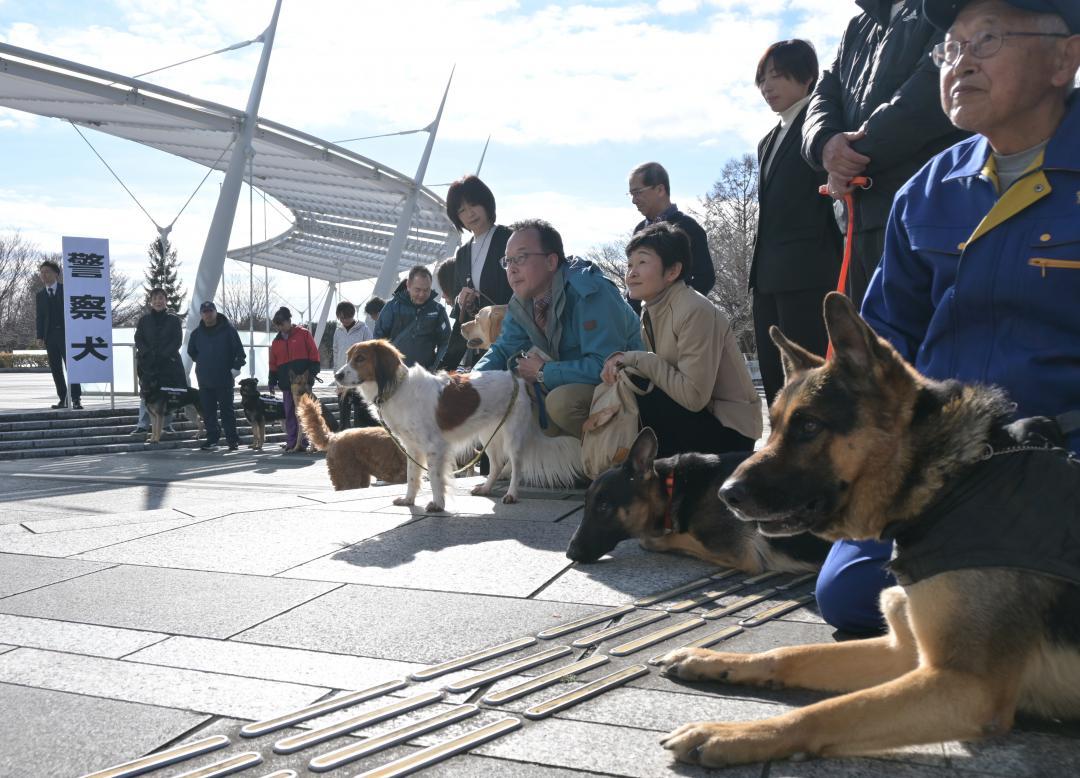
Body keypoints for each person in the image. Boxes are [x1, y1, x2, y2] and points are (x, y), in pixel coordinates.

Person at [815, 0, 1080, 635]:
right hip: (944, 455)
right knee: (849, 593)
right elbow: (882, 345)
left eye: (986, 39)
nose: (959, 61)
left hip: (1062, 449)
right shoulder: (927, 191)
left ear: (1065, 58)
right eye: (950, 48)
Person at [802, 0, 969, 305]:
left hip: (927, 215)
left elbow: (928, 95)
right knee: (866, 345)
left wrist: (848, 158)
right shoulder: (856, 27)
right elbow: (823, 95)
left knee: (920, 342)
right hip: (856, 223)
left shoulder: (947, 8)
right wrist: (824, 142)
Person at [601, 224, 762, 458]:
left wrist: (637, 359)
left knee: (641, 392)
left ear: (673, 271)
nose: (631, 273)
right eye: (629, 265)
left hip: (729, 431)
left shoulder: (695, 310)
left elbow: (693, 397)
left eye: (642, 263)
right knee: (628, 382)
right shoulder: (652, 309)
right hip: (696, 417)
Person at [475, 219, 643, 439]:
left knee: (561, 403)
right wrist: (470, 381)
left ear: (551, 261)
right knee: (516, 393)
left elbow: (607, 364)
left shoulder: (590, 291)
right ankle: (570, 462)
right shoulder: (522, 302)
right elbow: (503, 349)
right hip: (577, 382)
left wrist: (544, 372)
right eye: (508, 261)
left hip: (628, 386)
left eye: (522, 258)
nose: (512, 269)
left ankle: (613, 461)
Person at [752, 39, 843, 405]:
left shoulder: (821, 124)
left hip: (810, 272)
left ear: (807, 77)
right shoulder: (767, 140)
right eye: (761, 79)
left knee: (813, 380)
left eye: (776, 76)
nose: (766, 87)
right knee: (778, 381)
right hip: (766, 277)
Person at [439, 175, 514, 371]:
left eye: (473, 204)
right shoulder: (463, 253)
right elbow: (459, 310)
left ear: (486, 202)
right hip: (482, 344)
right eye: (461, 210)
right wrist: (461, 300)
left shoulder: (510, 238)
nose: (469, 214)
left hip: (512, 338)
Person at [628, 162, 715, 298]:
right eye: (631, 194)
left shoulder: (689, 228)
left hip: (679, 317)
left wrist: (678, 307)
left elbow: (705, 278)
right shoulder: (639, 230)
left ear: (660, 190)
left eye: (638, 192)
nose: (634, 200)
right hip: (644, 317)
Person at [186, 301, 246, 451]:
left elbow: (240, 353)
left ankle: (232, 439)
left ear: (215, 312)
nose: (208, 314)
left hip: (224, 378)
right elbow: (191, 352)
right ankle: (212, 439)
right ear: (201, 314)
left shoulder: (229, 330)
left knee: (227, 410)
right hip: (205, 379)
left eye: (210, 311)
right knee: (208, 411)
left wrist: (235, 368)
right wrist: (203, 363)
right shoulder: (196, 333)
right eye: (205, 311)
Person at [372, 266, 451, 370]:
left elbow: (445, 341)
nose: (422, 294)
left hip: (424, 376)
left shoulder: (438, 310)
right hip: (394, 373)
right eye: (417, 290)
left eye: (426, 290)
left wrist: (434, 367)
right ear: (408, 285)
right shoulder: (392, 307)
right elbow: (378, 338)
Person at [132, 287, 186, 435]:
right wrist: (146, 353)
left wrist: (164, 354)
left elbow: (177, 340)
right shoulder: (144, 320)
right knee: (146, 393)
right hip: (147, 363)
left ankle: (166, 424)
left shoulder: (174, 320)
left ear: (166, 301)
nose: (158, 301)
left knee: (167, 392)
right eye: (155, 298)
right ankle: (142, 425)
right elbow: (138, 338)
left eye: (161, 298)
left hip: (168, 362)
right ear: (151, 302)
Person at [268, 306, 322, 451]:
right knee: (290, 413)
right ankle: (293, 442)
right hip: (287, 385)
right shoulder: (276, 342)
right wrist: (272, 380)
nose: (280, 327)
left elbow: (314, 355)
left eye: (282, 324)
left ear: (289, 321)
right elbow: (273, 363)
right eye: (277, 325)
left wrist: (312, 373)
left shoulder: (304, 334)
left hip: (303, 383)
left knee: (306, 413)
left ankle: (306, 442)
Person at [34, 260, 81, 410]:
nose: (44, 275)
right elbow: (40, 317)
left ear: (56, 273)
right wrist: (40, 336)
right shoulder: (40, 295)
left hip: (67, 334)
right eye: (41, 272)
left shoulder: (66, 290)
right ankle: (63, 398)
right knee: (55, 369)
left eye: (47, 271)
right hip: (50, 336)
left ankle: (76, 399)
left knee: (72, 367)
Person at [332, 300, 372, 429]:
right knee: (343, 411)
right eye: (341, 317)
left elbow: (370, 352)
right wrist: (336, 373)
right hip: (342, 377)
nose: (344, 320)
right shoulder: (338, 331)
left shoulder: (364, 330)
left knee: (360, 411)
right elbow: (335, 351)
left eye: (347, 317)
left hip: (358, 377)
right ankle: (344, 439)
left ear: (353, 315)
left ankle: (359, 438)